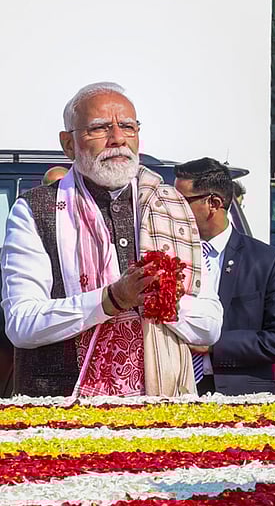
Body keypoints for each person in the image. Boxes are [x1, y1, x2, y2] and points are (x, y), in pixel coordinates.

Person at [0, 82, 222, 397]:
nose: (117, 139)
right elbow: (22, 324)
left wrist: (163, 302)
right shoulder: (35, 210)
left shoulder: (170, 208)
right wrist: (111, 300)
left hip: (160, 411)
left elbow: (211, 325)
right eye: (100, 128)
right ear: (68, 144)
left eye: (128, 127)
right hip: (62, 412)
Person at [175, 157, 275, 395]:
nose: (173, 209)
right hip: (176, 390)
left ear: (213, 203)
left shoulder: (265, 261)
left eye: (182, 202)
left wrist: (213, 346)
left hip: (242, 395)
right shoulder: (166, 256)